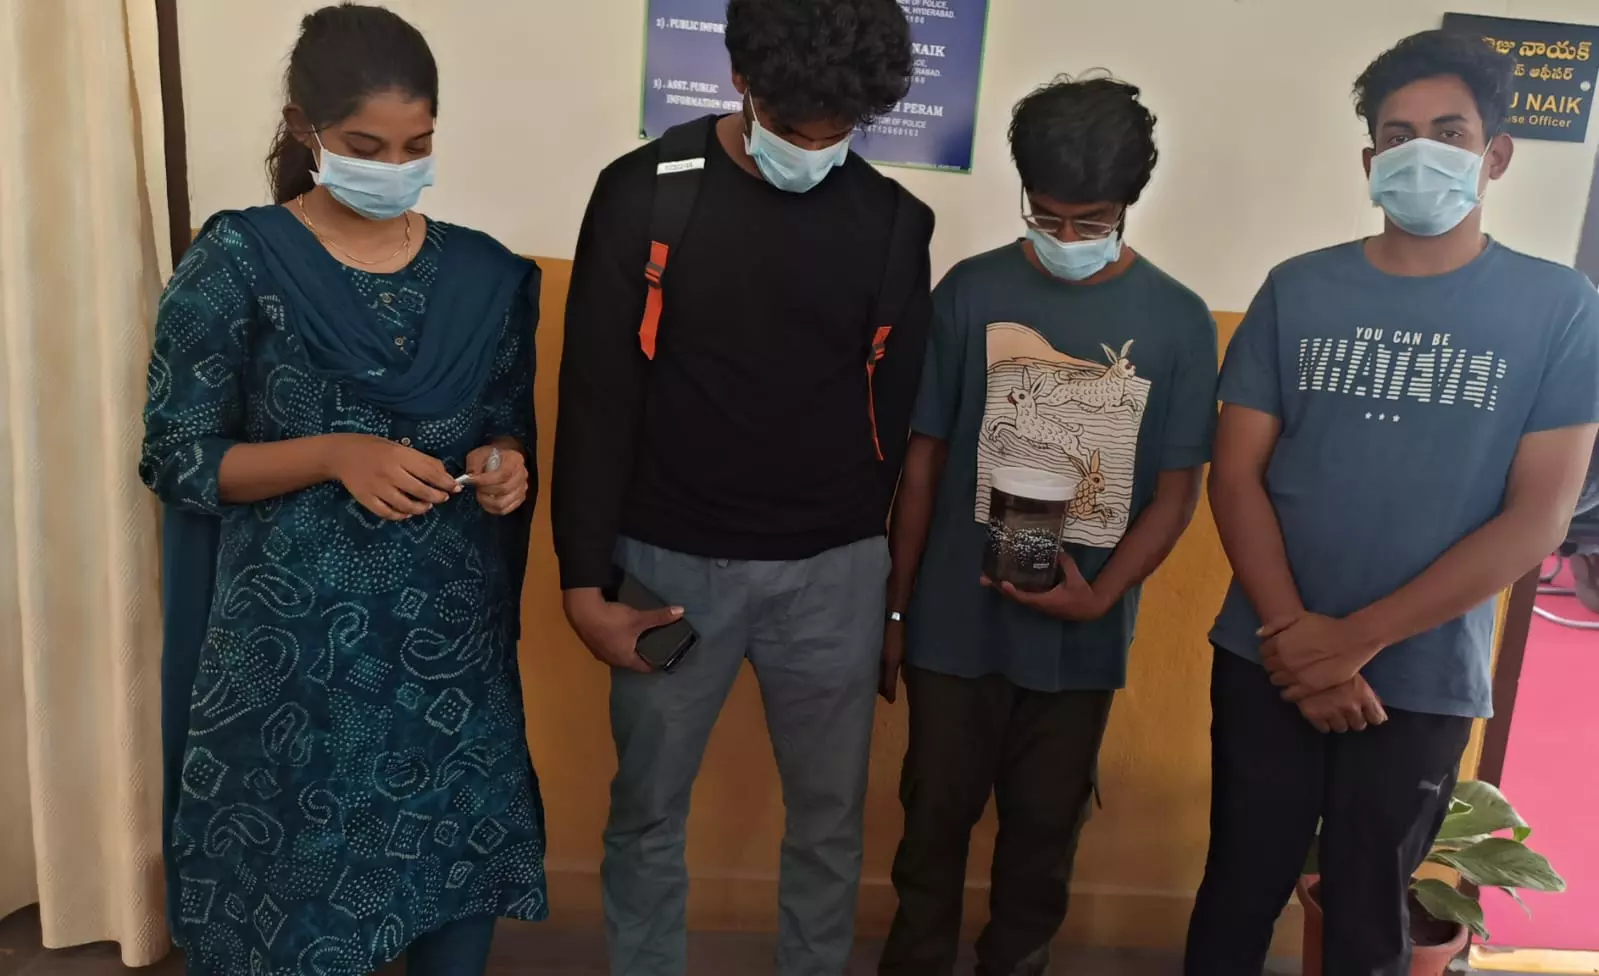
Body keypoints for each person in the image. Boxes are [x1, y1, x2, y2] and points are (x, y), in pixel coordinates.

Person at [141, 7, 545, 976]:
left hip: (447, 653)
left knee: (448, 875)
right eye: (366, 147)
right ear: (305, 128)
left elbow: (503, 421)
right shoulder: (237, 260)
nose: (395, 165)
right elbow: (178, 457)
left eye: (417, 145)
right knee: (292, 908)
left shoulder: (483, 276)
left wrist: (504, 465)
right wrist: (331, 454)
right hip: (291, 661)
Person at [1186, 29, 1599, 974]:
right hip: (1268, 653)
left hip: (1418, 676)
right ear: (1369, 159)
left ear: (1496, 154)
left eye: (1449, 132)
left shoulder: (1559, 308)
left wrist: (1355, 641)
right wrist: (1299, 639)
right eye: (1397, 135)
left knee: (1370, 915)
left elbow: (1537, 518)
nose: (1421, 154)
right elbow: (1235, 475)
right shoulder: (1296, 289)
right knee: (1236, 889)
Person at [551, 0, 933, 972]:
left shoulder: (895, 223)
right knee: (647, 810)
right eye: (792, 128)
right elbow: (595, 397)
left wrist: (884, 597)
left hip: (833, 577)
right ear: (739, 79)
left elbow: (892, 421)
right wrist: (583, 582)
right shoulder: (645, 194)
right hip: (667, 571)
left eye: (837, 134)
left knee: (830, 821)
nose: (812, 152)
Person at [877, 76, 1218, 976]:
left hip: (1078, 643)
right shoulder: (970, 291)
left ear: (1128, 204)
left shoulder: (1178, 321)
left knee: (1041, 843)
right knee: (930, 831)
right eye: (1047, 216)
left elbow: (1176, 493)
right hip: (952, 630)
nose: (1065, 239)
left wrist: (1099, 597)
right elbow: (923, 461)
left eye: (1090, 221)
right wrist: (897, 610)